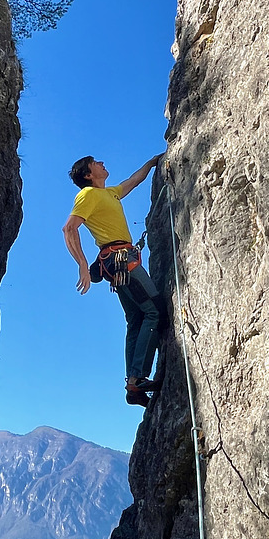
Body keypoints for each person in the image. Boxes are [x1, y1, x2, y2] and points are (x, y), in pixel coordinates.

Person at [63, 154, 165, 407]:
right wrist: (82, 264)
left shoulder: (111, 193)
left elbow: (134, 180)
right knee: (154, 311)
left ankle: (133, 385)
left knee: (136, 319)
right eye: (96, 163)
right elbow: (69, 228)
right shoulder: (88, 194)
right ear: (88, 175)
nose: (102, 163)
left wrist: (153, 161)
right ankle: (138, 378)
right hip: (119, 260)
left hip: (118, 262)